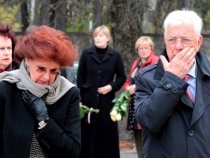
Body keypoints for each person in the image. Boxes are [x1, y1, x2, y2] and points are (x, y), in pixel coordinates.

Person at [134, 9, 210, 158]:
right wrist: (171, 80)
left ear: (199, 42)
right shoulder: (146, 77)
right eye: (172, 40)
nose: (178, 46)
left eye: (186, 39)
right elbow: (148, 122)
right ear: (165, 41)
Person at [0, 25, 81, 158]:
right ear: (27, 60)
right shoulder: (6, 89)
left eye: (54, 71)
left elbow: (72, 151)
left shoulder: (68, 94)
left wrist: (44, 121)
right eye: (41, 69)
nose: (47, 77)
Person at [77, 25, 126, 158]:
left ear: (108, 38)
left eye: (101, 36)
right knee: (88, 132)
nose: (98, 38)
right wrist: (79, 100)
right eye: (96, 36)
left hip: (106, 103)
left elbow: (122, 77)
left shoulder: (115, 55)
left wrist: (111, 86)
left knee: (106, 134)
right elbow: (80, 78)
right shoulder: (86, 53)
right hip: (88, 101)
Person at [123, 36, 159, 158]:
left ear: (151, 49)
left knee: (150, 143)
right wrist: (128, 88)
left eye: (146, 48)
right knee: (139, 141)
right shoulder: (136, 63)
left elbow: (158, 84)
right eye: (140, 48)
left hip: (149, 105)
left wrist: (138, 87)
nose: (143, 50)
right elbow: (129, 81)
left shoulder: (157, 62)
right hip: (135, 105)